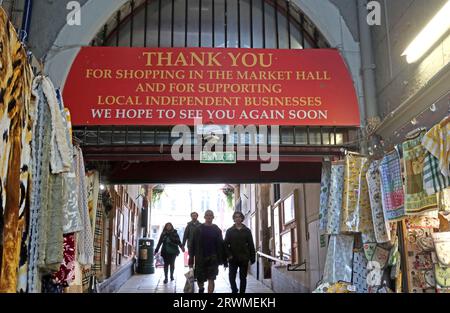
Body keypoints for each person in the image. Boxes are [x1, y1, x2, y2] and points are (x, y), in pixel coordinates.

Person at [191, 210, 227, 293]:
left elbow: (221, 245)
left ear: (213, 217)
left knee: (211, 278)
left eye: (211, 215)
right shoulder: (198, 229)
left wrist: (223, 259)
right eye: (207, 215)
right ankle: (201, 289)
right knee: (200, 278)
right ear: (204, 217)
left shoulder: (216, 229)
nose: (209, 217)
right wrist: (191, 258)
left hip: (213, 258)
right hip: (200, 258)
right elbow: (192, 244)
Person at [224, 211, 256, 293]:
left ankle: (242, 292)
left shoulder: (247, 231)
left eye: (239, 217)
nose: (238, 218)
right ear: (234, 219)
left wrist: (252, 257)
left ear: (242, 218)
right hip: (233, 258)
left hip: (244, 258)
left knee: (243, 277)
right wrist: (228, 255)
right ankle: (234, 290)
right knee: (231, 277)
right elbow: (225, 245)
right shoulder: (229, 231)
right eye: (236, 217)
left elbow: (251, 244)